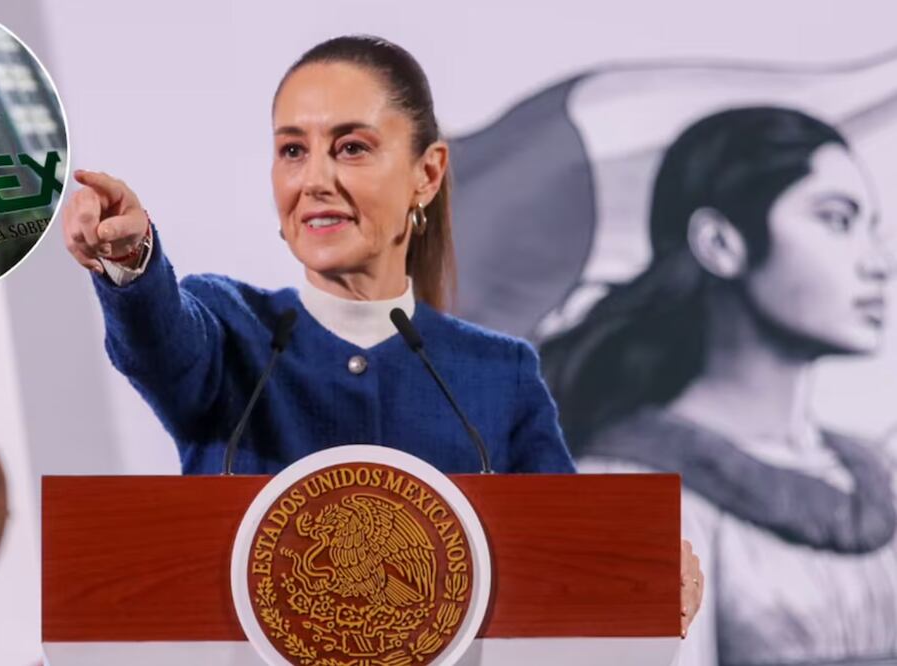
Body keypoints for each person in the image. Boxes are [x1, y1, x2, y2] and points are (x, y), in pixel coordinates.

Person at [63, 35, 703, 635]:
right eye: (293, 150)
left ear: (426, 174)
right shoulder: (229, 328)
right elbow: (159, 336)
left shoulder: (498, 375)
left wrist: (645, 572)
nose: (314, 179)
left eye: (351, 147)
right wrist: (130, 260)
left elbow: (571, 564)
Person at [541, 107, 896, 665]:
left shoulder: (877, 474)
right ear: (721, 243)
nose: (879, 263)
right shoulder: (612, 501)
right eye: (836, 220)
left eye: (873, 228)